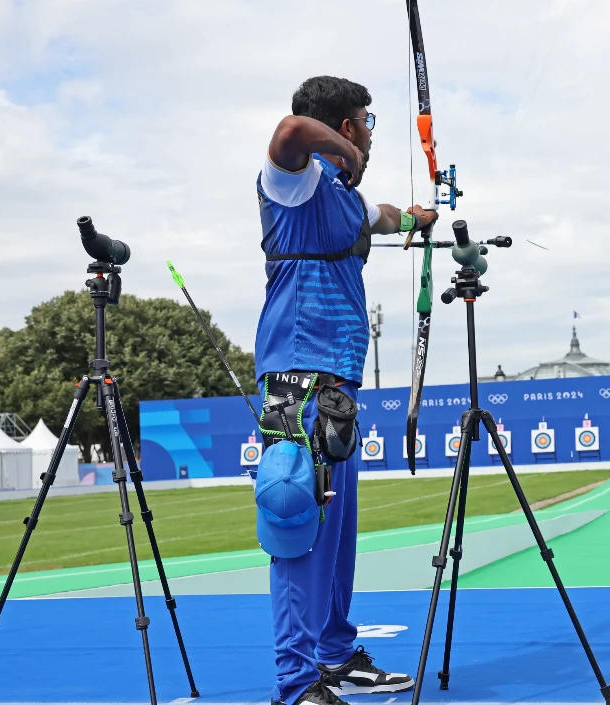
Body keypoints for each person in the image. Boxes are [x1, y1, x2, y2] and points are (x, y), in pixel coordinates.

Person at [253, 75, 437, 705]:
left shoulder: (342, 199)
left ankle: (333, 656)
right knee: (296, 523)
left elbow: (381, 217)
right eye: (366, 123)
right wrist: (349, 154)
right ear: (349, 128)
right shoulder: (295, 180)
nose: (368, 137)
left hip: (335, 392)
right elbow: (290, 131)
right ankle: (297, 684)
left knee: (337, 537)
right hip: (300, 388)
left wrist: (417, 217)